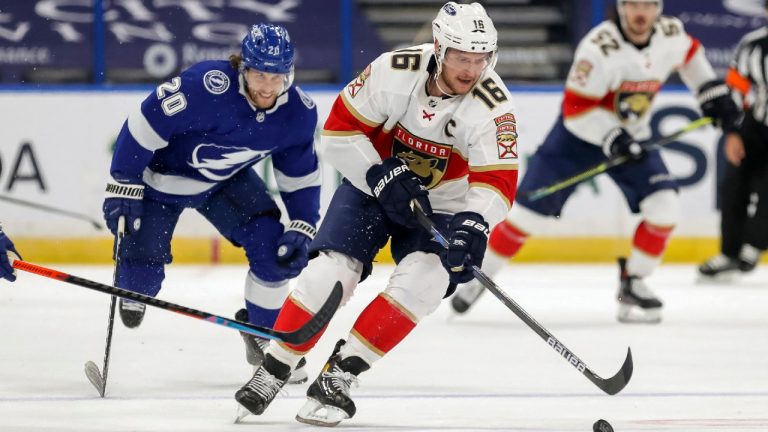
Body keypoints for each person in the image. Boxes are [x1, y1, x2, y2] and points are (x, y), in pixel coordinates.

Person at [234, 2, 518, 426]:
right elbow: (336, 134)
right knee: (330, 273)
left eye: (481, 59)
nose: (471, 70)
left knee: (427, 279)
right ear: (439, 47)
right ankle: (273, 368)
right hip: (373, 186)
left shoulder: (492, 106)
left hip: (444, 204)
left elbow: (497, 182)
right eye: (462, 57)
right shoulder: (394, 70)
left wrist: (475, 224)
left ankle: (340, 375)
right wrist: (377, 173)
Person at [450, 0, 740, 323]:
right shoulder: (598, 48)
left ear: (659, 8)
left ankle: (635, 282)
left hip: (630, 140)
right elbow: (576, 110)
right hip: (578, 140)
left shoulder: (670, 34)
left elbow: (690, 56)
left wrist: (710, 91)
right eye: (633, 4)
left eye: (648, 4)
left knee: (665, 206)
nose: (641, 13)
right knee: (525, 218)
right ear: (621, 6)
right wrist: (613, 136)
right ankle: (479, 279)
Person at [102, 23, 319, 382]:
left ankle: (265, 338)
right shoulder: (205, 86)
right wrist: (124, 182)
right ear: (242, 68)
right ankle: (135, 284)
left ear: (289, 74)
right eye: (259, 74)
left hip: (224, 184)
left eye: (276, 76)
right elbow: (143, 124)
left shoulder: (298, 113)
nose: (267, 86)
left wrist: (303, 223)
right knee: (141, 276)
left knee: (273, 250)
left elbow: (300, 175)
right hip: (161, 182)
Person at [698, 18, 768, 280]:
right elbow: (736, 89)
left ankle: (755, 243)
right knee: (733, 185)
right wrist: (733, 132)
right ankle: (729, 253)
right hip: (757, 125)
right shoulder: (753, 45)